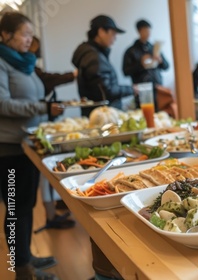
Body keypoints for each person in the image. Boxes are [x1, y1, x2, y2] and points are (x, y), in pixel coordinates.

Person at [0, 12, 62, 280]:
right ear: (5, 35)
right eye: (24, 34)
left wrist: (49, 109)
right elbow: (2, 104)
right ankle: (21, 269)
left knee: (25, 206)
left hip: (27, 145)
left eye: (30, 34)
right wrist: (42, 107)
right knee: (15, 208)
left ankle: (27, 258)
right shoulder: (1, 63)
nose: (30, 39)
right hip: (9, 148)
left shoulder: (23, 63)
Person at [29, 36, 76, 231]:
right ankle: (50, 216)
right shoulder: (29, 70)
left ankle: (51, 212)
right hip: (32, 128)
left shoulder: (29, 68)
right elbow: (48, 79)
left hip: (38, 124)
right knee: (44, 175)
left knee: (44, 175)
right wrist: (72, 75)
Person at [72, 15, 136, 117]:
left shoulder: (93, 54)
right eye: (113, 34)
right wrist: (132, 89)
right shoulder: (94, 57)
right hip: (103, 118)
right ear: (101, 32)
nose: (114, 39)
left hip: (99, 116)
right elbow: (107, 91)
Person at [123, 19, 170, 112]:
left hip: (157, 88)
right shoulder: (131, 51)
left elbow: (166, 66)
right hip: (142, 90)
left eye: (149, 30)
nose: (148, 33)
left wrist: (160, 61)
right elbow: (126, 71)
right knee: (145, 114)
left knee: (160, 115)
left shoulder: (154, 48)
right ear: (139, 31)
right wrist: (140, 64)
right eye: (145, 30)